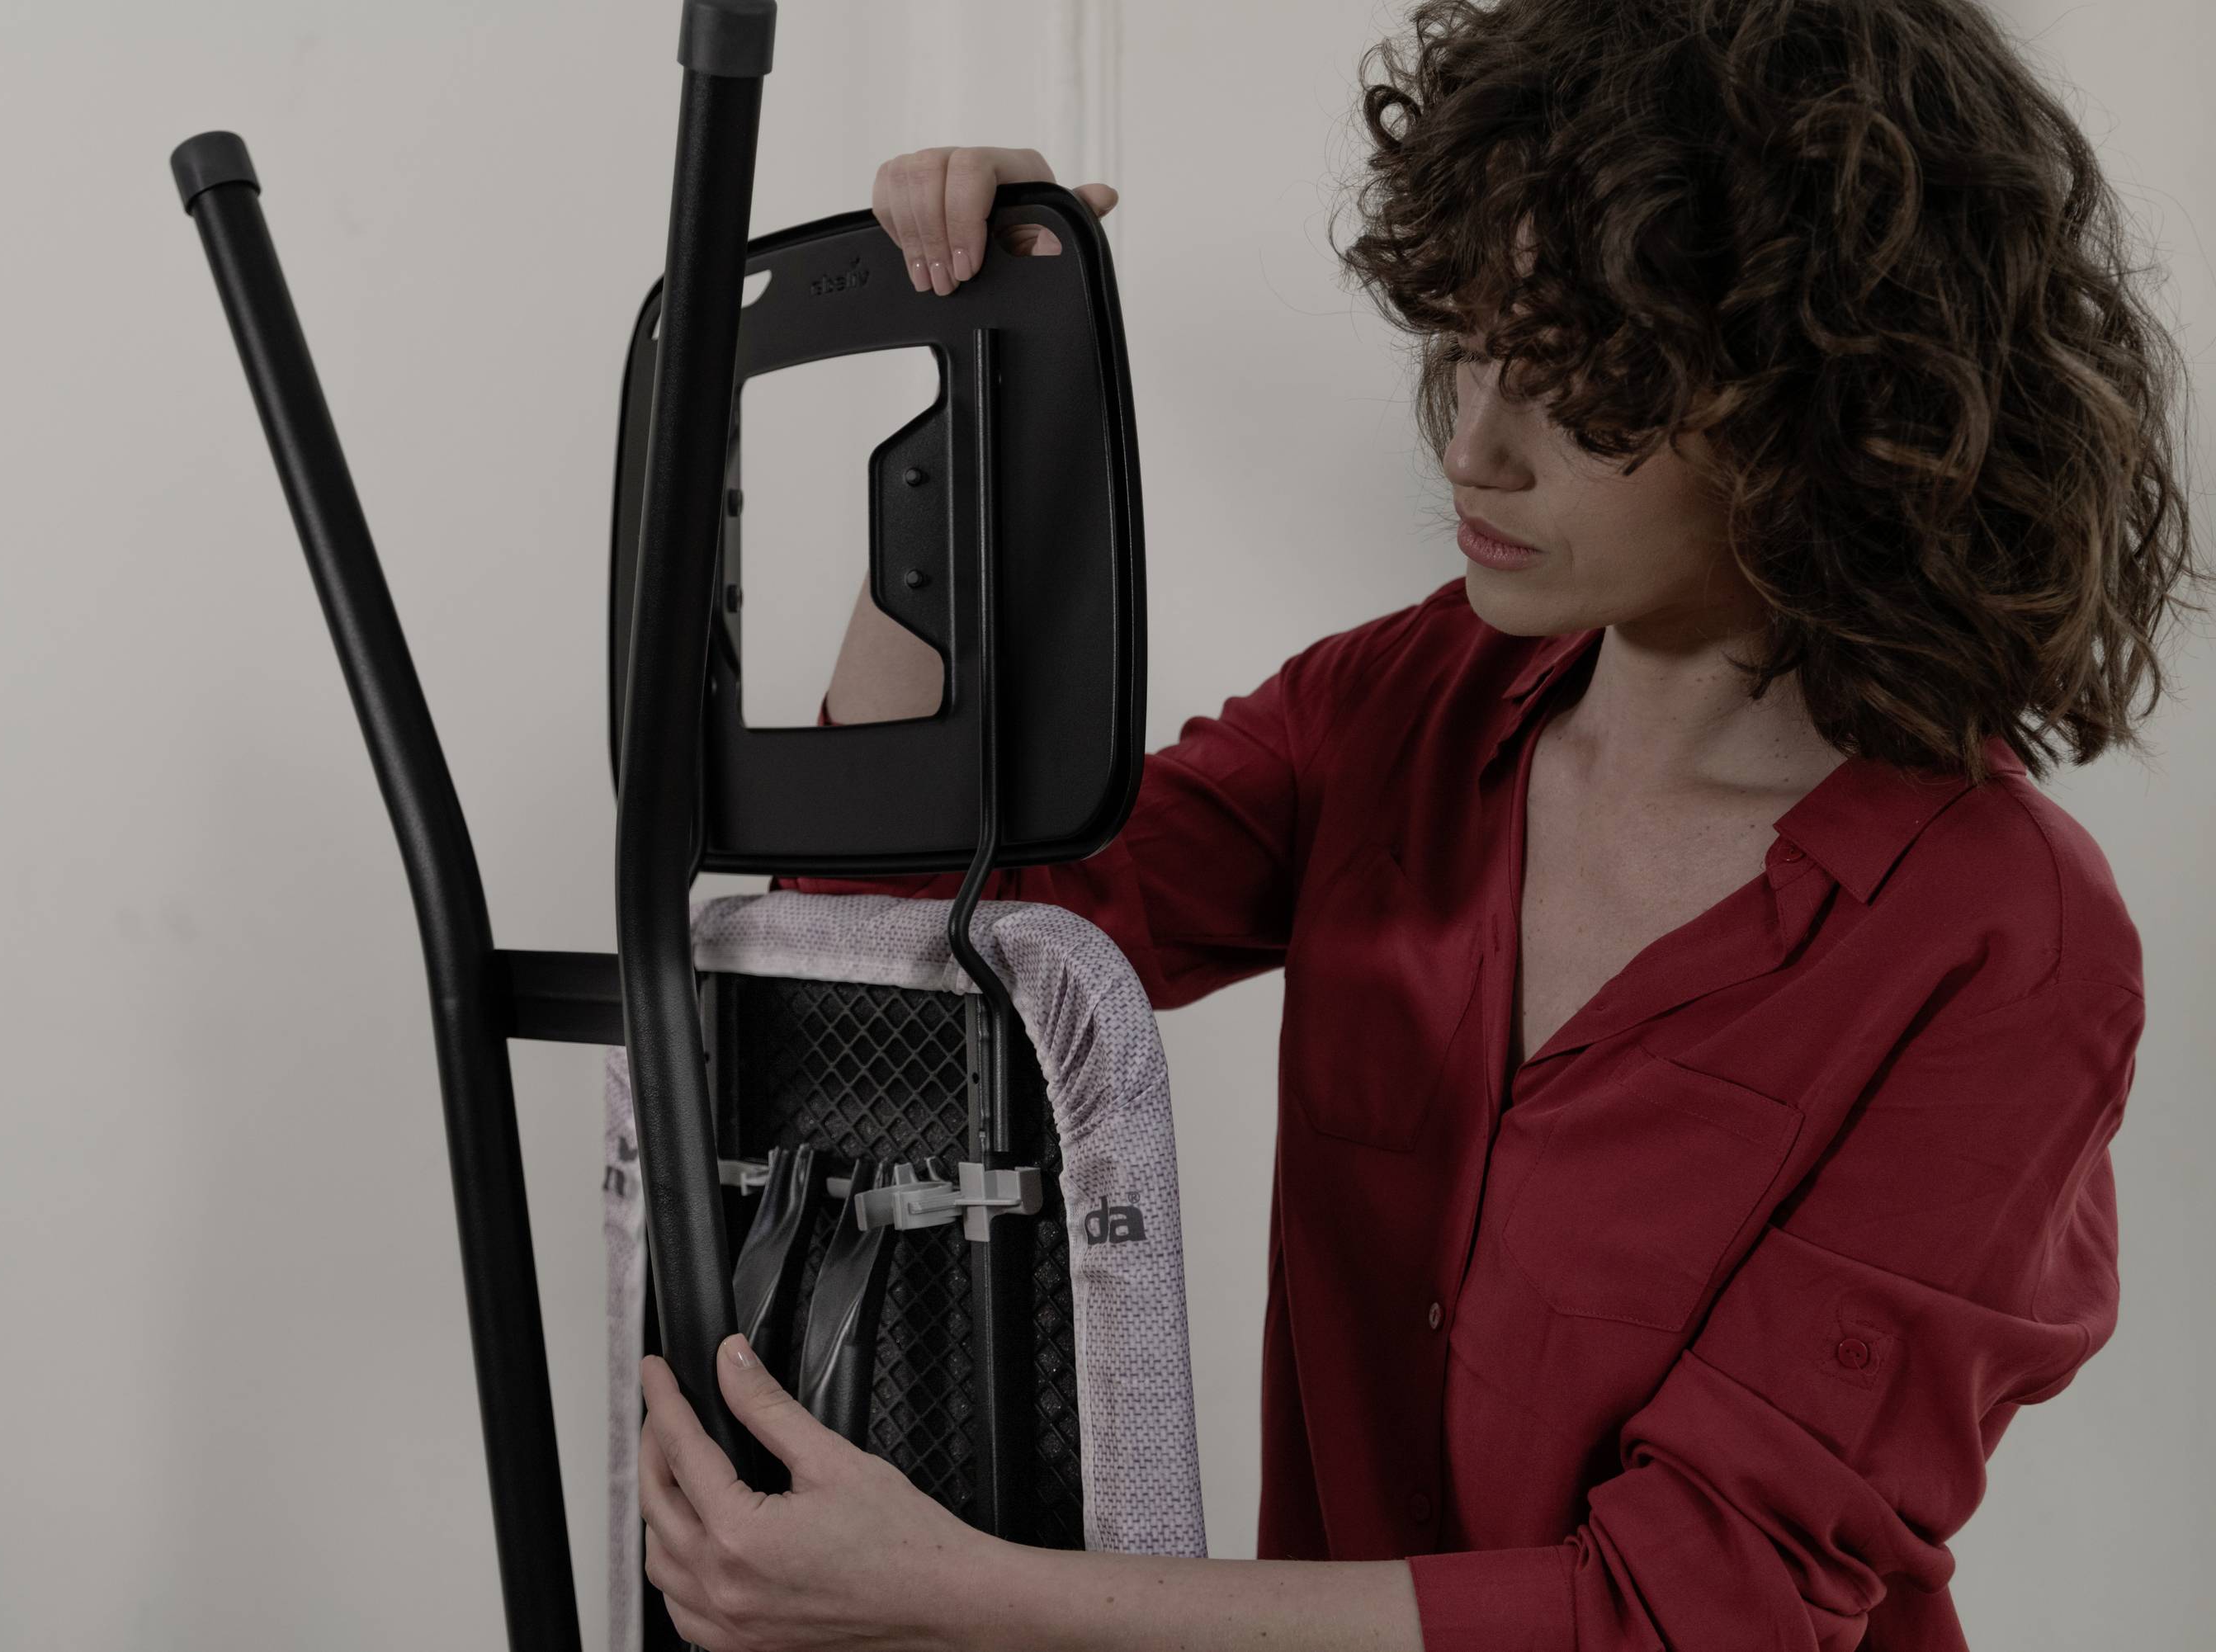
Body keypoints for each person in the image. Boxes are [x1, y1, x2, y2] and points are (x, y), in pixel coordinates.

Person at [635, 0, 2199, 1645]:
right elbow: (912, 929)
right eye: (1473, 342)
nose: (1474, 444)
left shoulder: (2002, 937)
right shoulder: (1402, 705)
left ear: (1835, 403)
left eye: (1591, 385)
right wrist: (983, 387)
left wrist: (961, 1595)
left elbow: (1688, 1610)